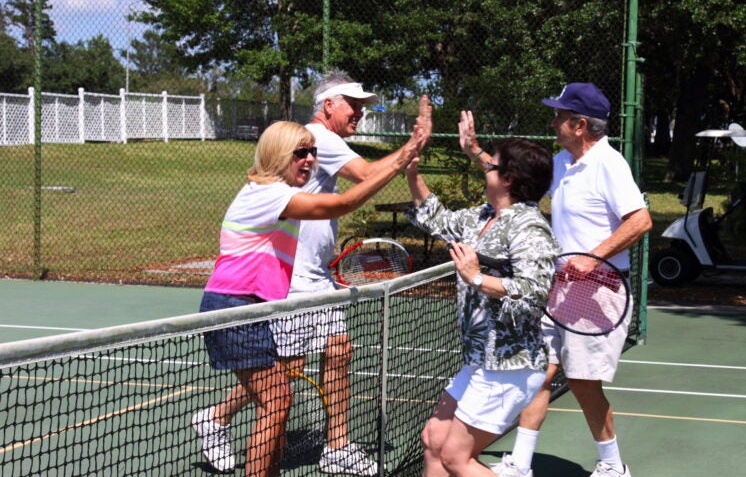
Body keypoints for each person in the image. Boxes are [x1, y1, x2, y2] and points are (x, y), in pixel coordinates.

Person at [192, 72, 433, 476]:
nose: (310, 158)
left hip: (271, 294)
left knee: (294, 381)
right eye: (301, 153)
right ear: (328, 105)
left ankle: (322, 444)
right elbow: (347, 197)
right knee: (279, 393)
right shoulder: (274, 191)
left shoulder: (278, 187)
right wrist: (408, 150)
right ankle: (221, 420)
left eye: (310, 153)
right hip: (242, 304)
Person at [460, 83, 652, 477]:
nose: (553, 122)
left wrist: (592, 257)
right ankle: (521, 462)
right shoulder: (563, 162)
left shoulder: (609, 164)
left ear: (580, 125)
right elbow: (515, 180)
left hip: (598, 291)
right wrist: (476, 152)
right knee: (539, 371)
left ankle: (614, 466)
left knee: (583, 382)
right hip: (557, 287)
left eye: (560, 116)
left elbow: (641, 220)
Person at [404, 132, 560, 476]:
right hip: (479, 360)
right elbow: (438, 220)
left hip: (510, 366)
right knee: (434, 440)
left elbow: (534, 293)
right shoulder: (482, 216)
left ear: (509, 178)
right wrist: (412, 174)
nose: (485, 165)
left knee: (456, 458)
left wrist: (477, 277)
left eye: (493, 164)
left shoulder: (531, 228)